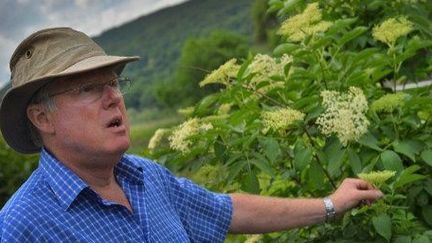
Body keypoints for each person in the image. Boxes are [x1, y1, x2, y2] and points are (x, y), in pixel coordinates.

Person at [0, 27, 383, 242]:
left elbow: (228, 210)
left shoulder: (147, 178)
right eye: (88, 88)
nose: (114, 98)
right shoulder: (19, 227)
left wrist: (331, 204)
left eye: (115, 83)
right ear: (41, 118)